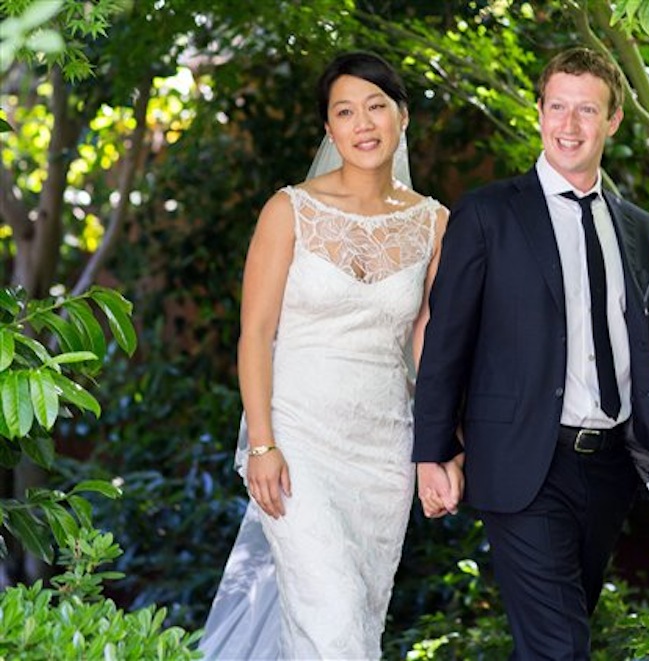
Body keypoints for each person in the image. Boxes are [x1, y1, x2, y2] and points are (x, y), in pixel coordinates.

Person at [412, 47, 649, 659]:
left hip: (609, 466)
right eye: (557, 107)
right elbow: (446, 343)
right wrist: (433, 453)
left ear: (614, 120)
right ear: (540, 112)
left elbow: (639, 340)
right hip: (526, 462)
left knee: (553, 642)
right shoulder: (490, 213)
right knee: (559, 647)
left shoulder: (637, 226)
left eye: (586, 110)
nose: (569, 125)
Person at [199, 51, 448, 660]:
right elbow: (255, 333)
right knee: (332, 625)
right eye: (345, 112)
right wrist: (261, 444)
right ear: (329, 130)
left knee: (357, 623)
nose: (363, 124)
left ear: (403, 117)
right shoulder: (289, 211)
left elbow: (428, 343)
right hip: (298, 443)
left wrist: (438, 451)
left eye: (376, 107)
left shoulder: (434, 223)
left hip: (383, 453)